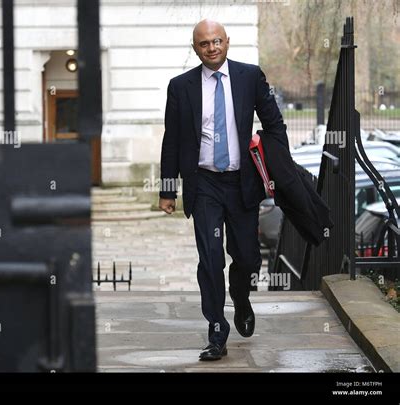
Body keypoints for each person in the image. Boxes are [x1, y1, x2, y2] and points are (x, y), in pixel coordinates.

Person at [159, 19, 288, 361]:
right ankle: (217, 330)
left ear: (227, 42)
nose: (212, 47)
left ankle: (241, 296)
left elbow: (275, 124)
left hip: (241, 183)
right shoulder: (180, 87)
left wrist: (283, 170)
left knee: (246, 257)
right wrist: (168, 190)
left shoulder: (249, 77)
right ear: (195, 48)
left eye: (217, 41)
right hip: (204, 185)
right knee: (210, 258)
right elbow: (171, 140)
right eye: (204, 43)